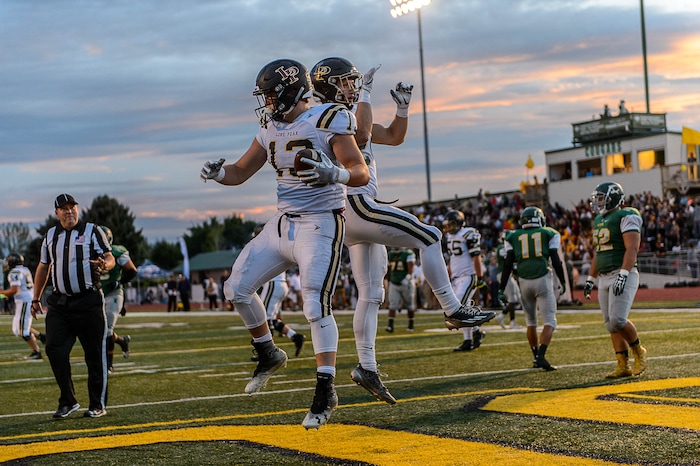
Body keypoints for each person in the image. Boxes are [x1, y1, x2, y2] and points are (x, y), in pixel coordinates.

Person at [310, 57, 494, 404]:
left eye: (354, 83)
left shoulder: (336, 116)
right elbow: (362, 134)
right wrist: (366, 92)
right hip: (356, 201)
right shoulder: (331, 116)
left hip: (349, 211)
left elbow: (392, 136)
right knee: (430, 236)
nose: (352, 87)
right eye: (347, 82)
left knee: (371, 293)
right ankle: (453, 308)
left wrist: (403, 110)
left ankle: (367, 366)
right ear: (329, 85)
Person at [200, 58, 369, 429]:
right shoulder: (270, 128)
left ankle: (326, 387)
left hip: (320, 222)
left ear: (291, 89)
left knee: (313, 302)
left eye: (272, 95)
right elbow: (241, 171)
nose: (269, 104)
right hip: (282, 222)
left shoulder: (330, 118)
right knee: (236, 288)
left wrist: (334, 173)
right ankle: (268, 352)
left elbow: (360, 172)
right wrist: (218, 174)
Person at [31, 193, 115, 419]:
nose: (69, 211)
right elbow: (43, 267)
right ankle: (68, 401)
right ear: (56, 213)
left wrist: (104, 264)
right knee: (54, 349)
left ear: (78, 209)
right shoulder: (50, 235)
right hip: (60, 303)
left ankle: (97, 404)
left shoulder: (92, 231)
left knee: (94, 355)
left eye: (72, 207)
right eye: (64, 208)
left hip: (88, 301)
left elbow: (109, 257)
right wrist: (35, 298)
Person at [583, 181, 648, 378]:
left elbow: (632, 248)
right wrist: (590, 279)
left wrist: (624, 273)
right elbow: (599, 252)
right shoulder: (599, 220)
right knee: (610, 323)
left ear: (613, 197)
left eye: (601, 198)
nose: (598, 202)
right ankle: (623, 364)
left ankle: (639, 351)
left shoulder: (626, 215)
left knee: (618, 320)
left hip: (622, 273)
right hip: (604, 275)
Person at [499, 206, 566, 371]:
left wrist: (501, 288)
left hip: (523, 281)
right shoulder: (549, 233)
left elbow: (507, 264)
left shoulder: (512, 235)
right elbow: (556, 260)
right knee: (550, 321)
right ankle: (541, 356)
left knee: (531, 322)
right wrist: (563, 281)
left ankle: (536, 356)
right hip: (542, 279)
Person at [442, 210, 486, 352]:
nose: (448, 228)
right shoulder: (449, 236)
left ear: (459, 223)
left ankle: (474, 334)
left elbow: (476, 256)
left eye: (451, 224)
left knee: (459, 307)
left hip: (468, 275)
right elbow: (452, 258)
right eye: (447, 225)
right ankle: (472, 336)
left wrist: (479, 277)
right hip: (456, 276)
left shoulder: (468, 233)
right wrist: (448, 274)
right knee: (462, 308)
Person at [98, 226, 137, 373]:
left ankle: (108, 365)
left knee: (107, 330)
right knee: (97, 330)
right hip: (98, 294)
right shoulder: (88, 253)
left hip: (113, 293)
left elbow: (132, 270)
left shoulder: (116, 251)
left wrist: (119, 283)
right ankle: (121, 341)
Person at [1, 253, 45, 359]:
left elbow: (14, 290)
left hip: (24, 301)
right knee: (17, 328)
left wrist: (2, 293)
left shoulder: (14, 272)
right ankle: (42, 337)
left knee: (22, 330)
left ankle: (36, 352)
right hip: (24, 299)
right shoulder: (24, 269)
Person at [495, 230, 522, 329]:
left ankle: (501, 316)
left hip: (508, 275)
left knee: (518, 298)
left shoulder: (504, 247)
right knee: (512, 299)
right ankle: (512, 322)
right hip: (503, 274)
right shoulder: (502, 248)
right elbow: (510, 258)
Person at [385, 248, 416, 333]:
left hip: (406, 283)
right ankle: (390, 326)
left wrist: (407, 278)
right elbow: (388, 270)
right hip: (394, 283)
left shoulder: (408, 253)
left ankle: (411, 325)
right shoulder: (390, 254)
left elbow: (411, 268)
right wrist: (387, 280)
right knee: (392, 305)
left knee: (409, 305)